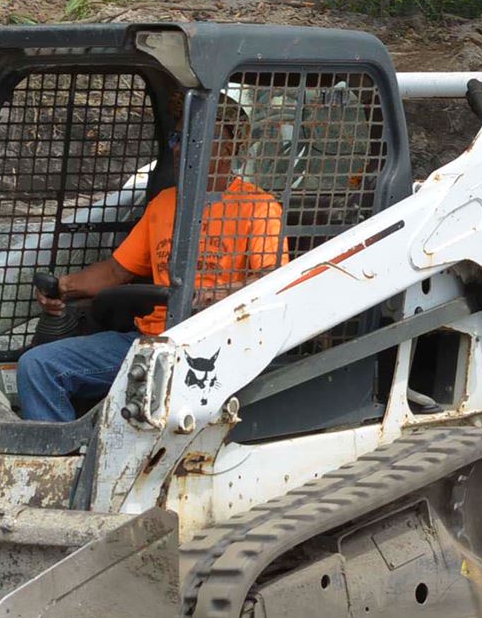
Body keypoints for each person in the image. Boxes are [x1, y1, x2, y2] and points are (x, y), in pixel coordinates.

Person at [17, 109, 284, 423]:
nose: (180, 147)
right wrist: (62, 287)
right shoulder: (164, 204)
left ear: (230, 145)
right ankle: (61, 464)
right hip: (148, 342)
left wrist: (211, 296)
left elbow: (270, 280)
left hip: (212, 347)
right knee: (37, 366)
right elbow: (117, 271)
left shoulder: (259, 207)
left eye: (195, 137)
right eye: (177, 138)